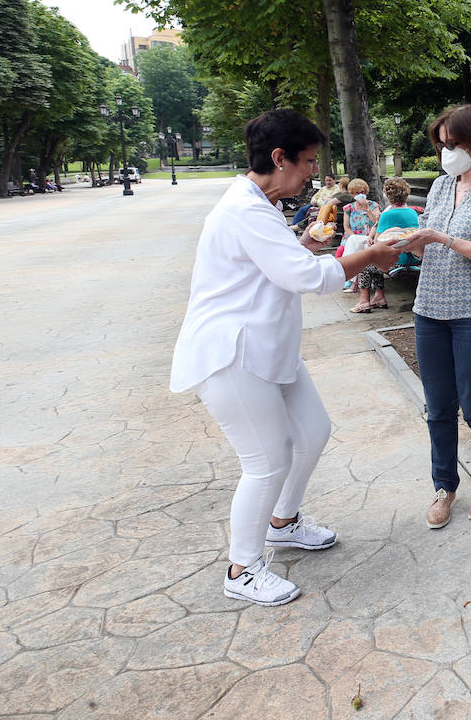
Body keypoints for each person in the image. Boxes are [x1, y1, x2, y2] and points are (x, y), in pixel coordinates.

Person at [169, 108, 402, 606]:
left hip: (269, 347)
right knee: (266, 459)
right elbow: (307, 278)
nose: (313, 173)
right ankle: (243, 568)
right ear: (279, 158)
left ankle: (284, 522)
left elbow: (281, 264)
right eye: (308, 162)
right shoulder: (244, 210)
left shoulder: (259, 205)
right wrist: (371, 256)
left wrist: (305, 244)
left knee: (313, 431)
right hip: (232, 353)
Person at [398, 105, 471, 529]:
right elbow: (427, 244)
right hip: (429, 308)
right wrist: (406, 240)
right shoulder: (438, 187)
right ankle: (444, 486)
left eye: (454, 143)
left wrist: (440, 237)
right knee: (439, 407)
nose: (446, 151)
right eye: (442, 144)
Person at [350, 176, 420, 313]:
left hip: (396, 262)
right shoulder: (413, 212)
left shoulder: (387, 215)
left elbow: (377, 244)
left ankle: (364, 301)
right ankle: (379, 297)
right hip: (414, 259)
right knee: (375, 262)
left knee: (367, 262)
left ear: (388, 195)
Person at [343, 178, 383, 310]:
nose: (359, 195)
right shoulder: (348, 208)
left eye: (361, 192)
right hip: (353, 237)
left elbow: (376, 223)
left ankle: (350, 280)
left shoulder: (373, 205)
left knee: (362, 247)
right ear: (352, 194)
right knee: (353, 242)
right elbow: (346, 227)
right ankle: (353, 281)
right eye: (356, 193)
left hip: (370, 237)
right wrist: (353, 236)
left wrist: (368, 209)